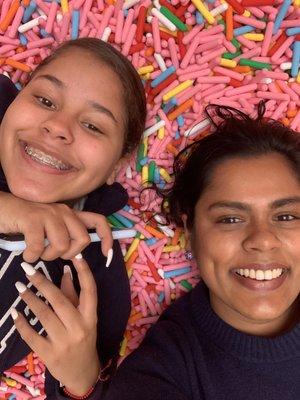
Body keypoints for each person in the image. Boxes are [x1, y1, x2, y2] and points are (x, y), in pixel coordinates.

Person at [96, 103, 300, 399]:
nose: (262, 240)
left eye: (286, 216)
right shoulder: (161, 371)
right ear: (189, 229)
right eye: (230, 219)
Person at [0, 37, 146, 399]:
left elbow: (87, 388)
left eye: (93, 126)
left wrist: (80, 378)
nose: (58, 127)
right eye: (45, 100)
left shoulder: (96, 272)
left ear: (119, 164)